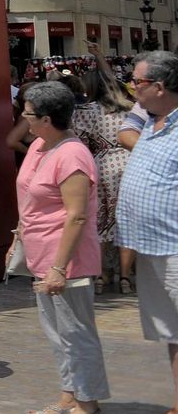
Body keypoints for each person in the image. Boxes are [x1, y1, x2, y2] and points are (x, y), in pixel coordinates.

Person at [12, 82, 110, 414]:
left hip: (67, 262)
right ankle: (70, 396)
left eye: (27, 114)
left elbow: (77, 215)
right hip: (42, 258)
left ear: (47, 118)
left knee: (77, 335)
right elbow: (29, 197)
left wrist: (58, 267)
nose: (23, 120)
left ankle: (87, 403)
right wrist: (19, 235)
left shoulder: (72, 154)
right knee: (58, 335)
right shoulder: (41, 145)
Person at [118, 50, 178, 414]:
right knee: (172, 332)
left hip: (175, 246)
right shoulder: (151, 122)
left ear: (159, 86)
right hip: (151, 245)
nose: (131, 88)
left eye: (137, 82)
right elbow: (126, 129)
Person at [72, 60, 137, 295]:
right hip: (129, 163)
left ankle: (100, 275)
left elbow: (81, 144)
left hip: (101, 165)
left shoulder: (85, 112)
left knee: (101, 221)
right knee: (127, 223)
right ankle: (126, 278)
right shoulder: (129, 108)